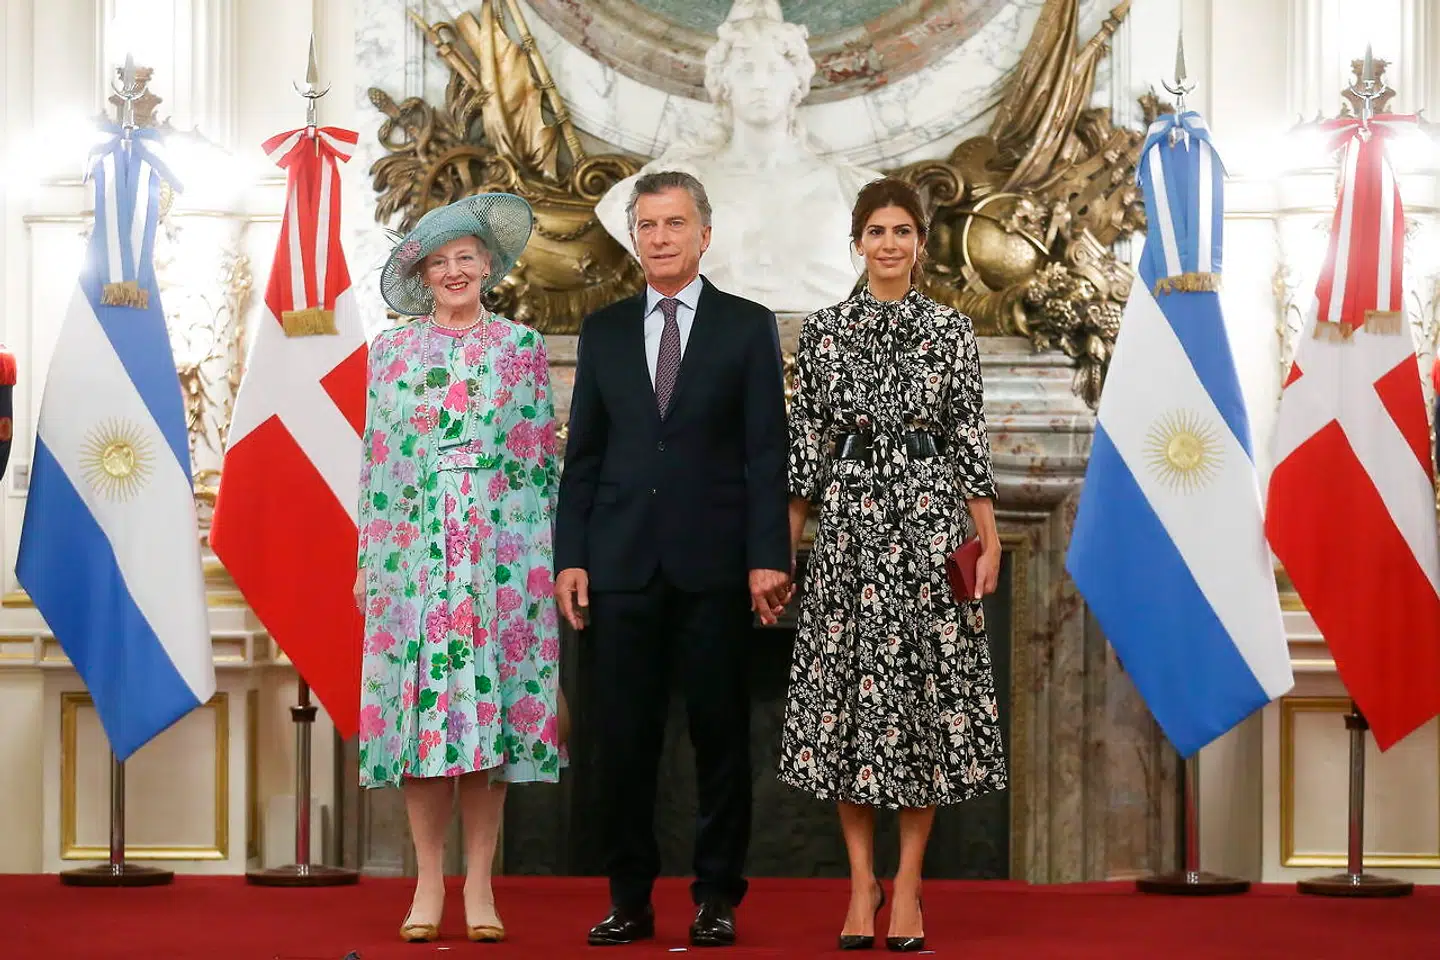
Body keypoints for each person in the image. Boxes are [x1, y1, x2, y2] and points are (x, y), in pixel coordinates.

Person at [555, 170, 792, 948]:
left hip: (717, 567)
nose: (660, 237)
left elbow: (767, 454)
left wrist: (769, 556)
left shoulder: (747, 326)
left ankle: (717, 896)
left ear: (704, 234)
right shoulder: (605, 330)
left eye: (674, 224)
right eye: (648, 225)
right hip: (620, 568)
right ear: (636, 236)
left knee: (721, 741)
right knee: (622, 744)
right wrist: (571, 557)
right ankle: (629, 898)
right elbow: (583, 456)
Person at [778, 177, 1007, 953]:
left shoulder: (950, 330)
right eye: (875, 230)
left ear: (919, 241)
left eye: (902, 230)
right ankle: (860, 881)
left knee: (923, 708)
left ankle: (907, 883)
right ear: (857, 241)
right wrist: (785, 544)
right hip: (847, 535)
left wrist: (990, 535)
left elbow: (968, 435)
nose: (888, 243)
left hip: (932, 527)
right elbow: (805, 444)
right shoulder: (823, 332)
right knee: (846, 708)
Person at [355, 194, 564, 944]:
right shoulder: (390, 352)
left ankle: (480, 881)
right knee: (418, 722)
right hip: (411, 556)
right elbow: (376, 461)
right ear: (421, 274)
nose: (453, 271)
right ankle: (425, 879)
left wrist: (545, 563)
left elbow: (542, 462)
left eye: (465, 258)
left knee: (485, 716)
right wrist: (367, 563)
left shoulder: (521, 347)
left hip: (498, 559)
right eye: (438, 262)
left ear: (489, 267)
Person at [594, 0, 879, 316]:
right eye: (745, 69)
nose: (760, 83)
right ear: (723, 83)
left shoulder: (856, 189)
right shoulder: (677, 184)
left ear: (797, 80)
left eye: (773, 69)